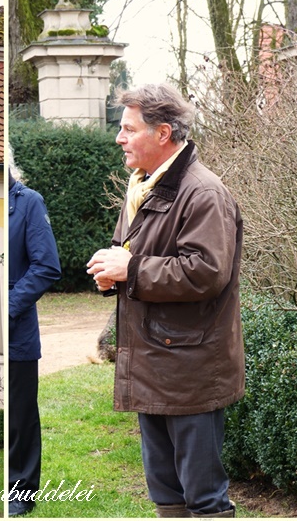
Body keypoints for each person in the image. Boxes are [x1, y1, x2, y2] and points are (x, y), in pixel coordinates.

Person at [86, 83, 244, 518]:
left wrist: (132, 269)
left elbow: (206, 272)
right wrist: (113, 275)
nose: (119, 138)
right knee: (167, 495)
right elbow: (133, 255)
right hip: (154, 363)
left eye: (128, 129)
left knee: (204, 498)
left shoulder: (202, 193)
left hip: (190, 369)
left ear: (162, 133)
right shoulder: (143, 186)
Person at [8, 158, 61, 517]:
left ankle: (21, 493)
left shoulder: (29, 203)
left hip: (17, 331)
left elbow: (47, 266)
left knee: (20, 414)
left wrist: (8, 308)